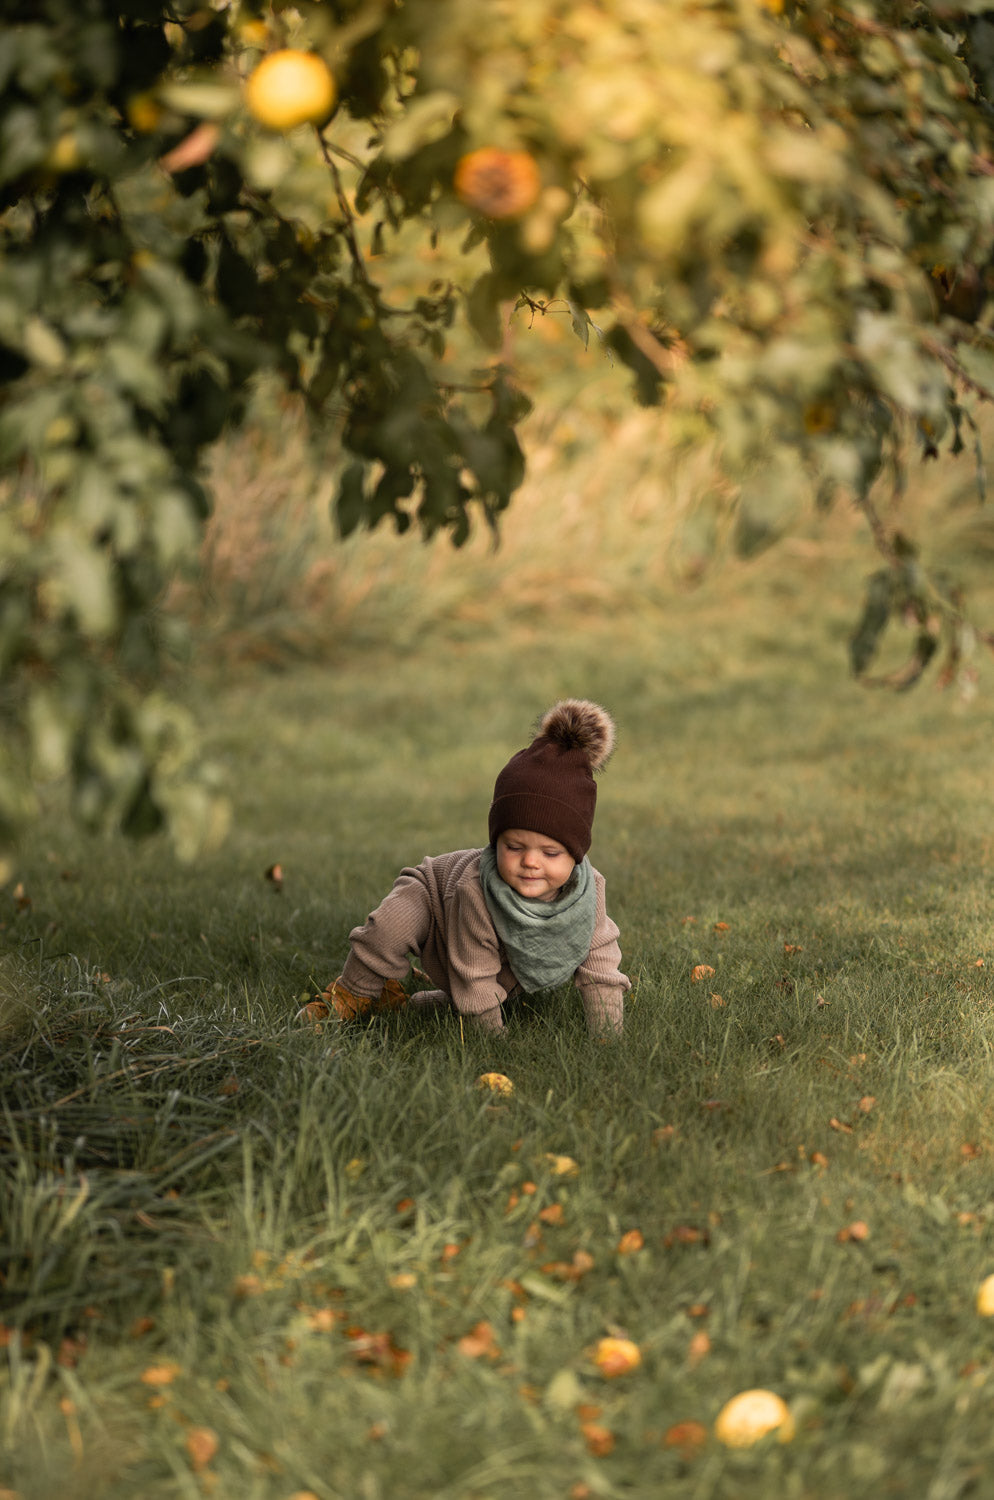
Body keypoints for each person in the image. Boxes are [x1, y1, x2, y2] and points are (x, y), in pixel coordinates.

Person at [299, 699, 630, 1035]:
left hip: (486, 956)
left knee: (502, 975)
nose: (530, 861)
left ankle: (430, 1001)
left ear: (576, 854)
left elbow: (602, 965)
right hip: (433, 898)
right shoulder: (477, 889)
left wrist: (608, 1038)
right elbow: (473, 973)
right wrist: (492, 1044)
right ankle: (353, 993)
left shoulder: (589, 893)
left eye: (550, 853)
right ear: (496, 842)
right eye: (514, 847)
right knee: (390, 929)